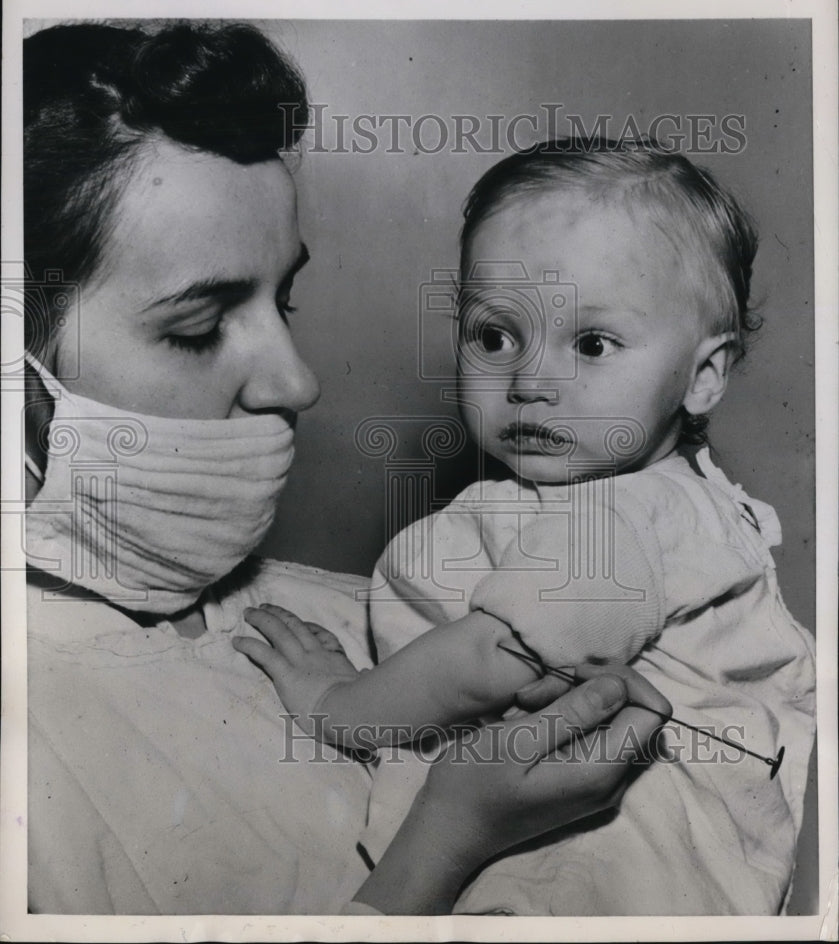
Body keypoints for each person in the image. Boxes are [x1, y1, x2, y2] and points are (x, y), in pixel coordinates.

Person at [21, 21, 670, 915]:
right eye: (200, 327)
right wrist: (447, 839)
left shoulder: (347, 617)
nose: (298, 380)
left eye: (282, 300)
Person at [237, 140, 817, 915]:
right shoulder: (570, 498)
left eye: (591, 344)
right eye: (494, 336)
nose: (529, 381)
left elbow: (495, 655)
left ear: (702, 376)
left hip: (622, 861)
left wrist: (336, 701)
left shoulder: (637, 515)